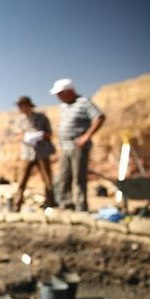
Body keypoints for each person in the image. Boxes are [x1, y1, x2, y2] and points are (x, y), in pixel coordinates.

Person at [50, 78, 106, 211]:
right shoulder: (63, 106)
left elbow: (99, 117)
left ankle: (81, 207)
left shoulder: (84, 102)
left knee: (78, 177)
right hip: (65, 147)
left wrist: (86, 136)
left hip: (78, 146)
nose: (58, 97)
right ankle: (66, 204)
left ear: (69, 91)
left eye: (60, 93)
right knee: (64, 176)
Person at [12, 96, 57, 212]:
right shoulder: (19, 120)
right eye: (20, 106)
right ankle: (17, 205)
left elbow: (49, 133)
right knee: (22, 180)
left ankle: (50, 204)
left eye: (24, 106)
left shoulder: (42, 118)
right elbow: (17, 136)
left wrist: (40, 135)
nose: (22, 108)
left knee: (47, 179)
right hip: (27, 154)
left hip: (42, 152)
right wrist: (25, 136)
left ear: (29, 106)